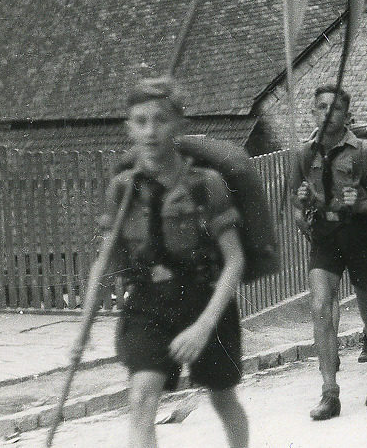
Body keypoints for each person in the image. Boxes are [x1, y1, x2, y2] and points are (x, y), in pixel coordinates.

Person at [82, 77, 248, 448]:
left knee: (222, 396)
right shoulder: (123, 188)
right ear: (129, 128)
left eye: (160, 120)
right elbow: (104, 260)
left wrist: (203, 328)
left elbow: (234, 261)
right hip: (148, 301)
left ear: (179, 126)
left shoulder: (206, 183)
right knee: (141, 398)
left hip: (205, 299)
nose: (151, 131)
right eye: (140, 121)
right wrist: (84, 323)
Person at [289, 86, 367, 420]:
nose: (327, 113)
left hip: (362, 233)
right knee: (321, 306)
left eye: (335, 108)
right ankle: (329, 391)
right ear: (313, 113)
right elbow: (294, 203)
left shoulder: (365, 151)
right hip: (325, 235)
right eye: (321, 107)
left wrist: (364, 204)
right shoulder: (304, 154)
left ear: (347, 116)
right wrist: (301, 207)